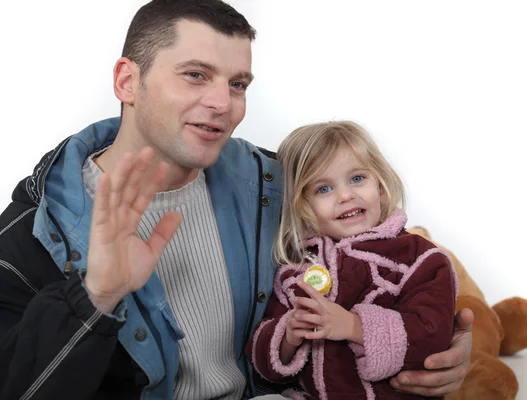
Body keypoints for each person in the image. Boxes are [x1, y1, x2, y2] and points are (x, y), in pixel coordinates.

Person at [0, 1, 472, 399]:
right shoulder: (28, 236)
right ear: (127, 81)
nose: (223, 104)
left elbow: (393, 251)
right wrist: (95, 298)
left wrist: (450, 344)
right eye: (195, 75)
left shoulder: (279, 187)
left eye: (238, 84)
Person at [245, 121, 458, 399]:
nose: (346, 196)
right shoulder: (295, 269)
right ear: (301, 207)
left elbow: (433, 338)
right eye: (323, 189)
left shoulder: (420, 259)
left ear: (380, 187)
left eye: (357, 178)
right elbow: (264, 363)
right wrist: (287, 336)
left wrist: (353, 327)